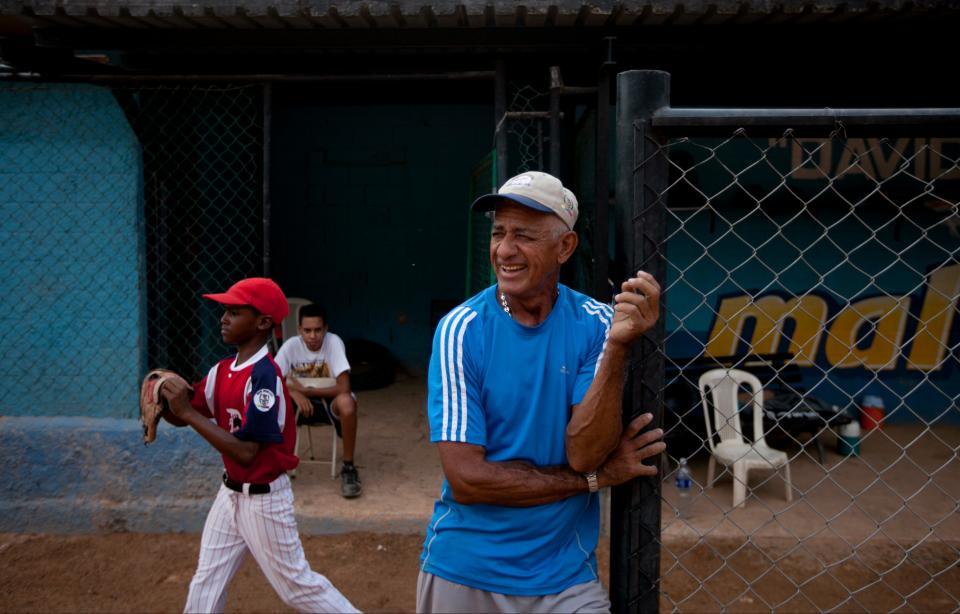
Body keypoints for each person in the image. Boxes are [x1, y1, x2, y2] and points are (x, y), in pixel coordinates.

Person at [417, 171, 666, 613]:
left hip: (563, 575)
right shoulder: (461, 330)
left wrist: (617, 348)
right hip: (468, 568)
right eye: (499, 233)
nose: (505, 250)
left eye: (524, 236)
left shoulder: (596, 325)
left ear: (565, 247)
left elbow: (584, 452)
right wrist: (595, 481)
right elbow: (467, 478)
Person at [157, 277, 359, 614]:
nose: (223, 318)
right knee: (207, 579)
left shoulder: (265, 376)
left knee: (297, 587)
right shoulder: (222, 371)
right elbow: (185, 408)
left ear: (263, 322)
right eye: (224, 311)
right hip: (230, 495)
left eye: (234, 312)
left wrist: (187, 413)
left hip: (264, 498)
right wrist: (165, 401)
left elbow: (247, 452)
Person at [275, 303, 362, 498]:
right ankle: (275, 464)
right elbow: (272, 379)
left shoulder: (333, 343)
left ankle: (348, 467)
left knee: (347, 403)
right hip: (299, 408)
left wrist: (307, 391)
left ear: (326, 329)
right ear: (299, 330)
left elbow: (344, 387)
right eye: (307, 330)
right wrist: (293, 392)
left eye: (317, 330)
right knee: (271, 400)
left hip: (329, 405)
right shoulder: (291, 346)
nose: (312, 336)